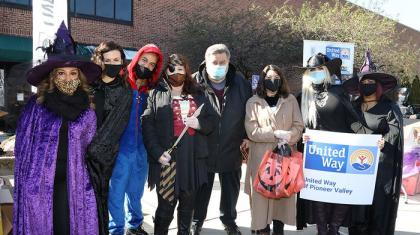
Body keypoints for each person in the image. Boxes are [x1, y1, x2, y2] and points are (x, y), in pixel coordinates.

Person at [13, 41, 102, 234]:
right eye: (61, 73)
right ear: (53, 77)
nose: (67, 78)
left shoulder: (88, 112)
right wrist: (27, 182)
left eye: (73, 73)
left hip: (73, 181)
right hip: (39, 182)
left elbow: (89, 148)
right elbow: (22, 146)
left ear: (80, 77)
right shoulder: (36, 107)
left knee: (66, 226)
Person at [142, 54, 217, 235]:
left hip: (192, 160)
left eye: (181, 69)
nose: (176, 73)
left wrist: (198, 124)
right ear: (166, 71)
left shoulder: (199, 94)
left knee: (187, 209)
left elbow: (212, 121)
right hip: (167, 159)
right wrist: (158, 153)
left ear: (187, 71)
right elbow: (147, 126)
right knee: (165, 209)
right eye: (172, 69)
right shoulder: (155, 93)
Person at [299, 53, 367, 235]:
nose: (316, 73)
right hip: (316, 154)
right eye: (312, 70)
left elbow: (353, 121)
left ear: (326, 71)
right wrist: (302, 137)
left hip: (342, 152)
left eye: (319, 69)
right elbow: (297, 125)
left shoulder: (339, 92)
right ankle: (322, 229)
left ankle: (334, 229)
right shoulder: (303, 97)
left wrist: (371, 139)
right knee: (319, 192)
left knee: (342, 191)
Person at [191, 44, 252, 235]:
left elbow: (249, 113)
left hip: (231, 146)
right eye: (214, 62)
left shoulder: (240, 83)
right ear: (206, 62)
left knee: (230, 191)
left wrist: (247, 136)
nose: (218, 65)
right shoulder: (193, 82)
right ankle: (196, 221)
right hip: (202, 147)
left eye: (222, 62)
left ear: (228, 63)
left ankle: (229, 220)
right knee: (201, 189)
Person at [108, 44, 163, 235]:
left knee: (136, 191)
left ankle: (135, 224)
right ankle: (115, 228)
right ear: (137, 59)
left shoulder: (152, 91)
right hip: (120, 149)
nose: (147, 66)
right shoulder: (121, 83)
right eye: (144, 60)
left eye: (151, 65)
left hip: (142, 150)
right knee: (116, 192)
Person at [244, 65, 304, 235]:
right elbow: (252, 131)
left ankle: (279, 231)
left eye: (276, 77)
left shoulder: (290, 100)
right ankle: (263, 230)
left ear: (281, 80)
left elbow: (299, 126)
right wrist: (275, 134)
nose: (272, 80)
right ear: (263, 80)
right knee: (261, 200)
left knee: (282, 198)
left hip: (284, 157)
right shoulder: (253, 102)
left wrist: (289, 135)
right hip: (261, 159)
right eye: (269, 77)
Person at [346, 69, 403, 235]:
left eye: (370, 84)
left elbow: (395, 130)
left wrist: (384, 140)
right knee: (358, 210)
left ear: (378, 86)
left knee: (378, 208)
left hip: (380, 166)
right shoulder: (353, 107)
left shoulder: (389, 107)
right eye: (363, 84)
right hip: (356, 167)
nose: (366, 86)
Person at [86, 41, 132, 235]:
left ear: (122, 61)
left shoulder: (124, 91)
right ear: (100, 61)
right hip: (76, 152)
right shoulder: (88, 86)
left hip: (101, 158)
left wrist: (90, 152)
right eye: (108, 60)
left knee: (97, 200)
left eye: (117, 59)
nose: (113, 63)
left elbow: (115, 128)